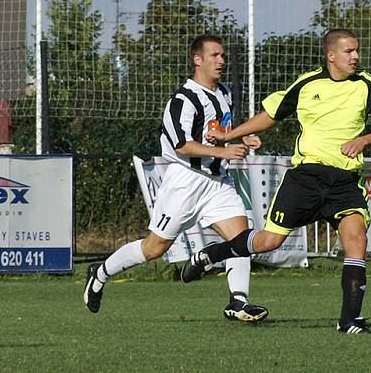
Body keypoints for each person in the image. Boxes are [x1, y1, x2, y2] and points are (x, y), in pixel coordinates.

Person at [181, 29, 371, 334]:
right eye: (349, 51)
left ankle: (349, 320)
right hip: (306, 178)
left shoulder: (367, 84)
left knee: (357, 239)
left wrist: (363, 140)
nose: (356, 57)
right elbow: (270, 116)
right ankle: (213, 254)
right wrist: (227, 136)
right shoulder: (307, 83)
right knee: (268, 242)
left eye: (357, 51)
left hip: (345, 182)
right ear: (331, 55)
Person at [84, 34, 268, 322]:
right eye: (214, 56)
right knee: (155, 248)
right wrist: (223, 152)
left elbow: (218, 131)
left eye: (222, 56)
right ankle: (101, 272)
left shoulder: (224, 93)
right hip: (185, 181)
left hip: (217, 182)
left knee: (242, 239)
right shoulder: (184, 100)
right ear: (198, 60)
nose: (221, 61)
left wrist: (245, 136)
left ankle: (238, 302)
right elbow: (182, 145)